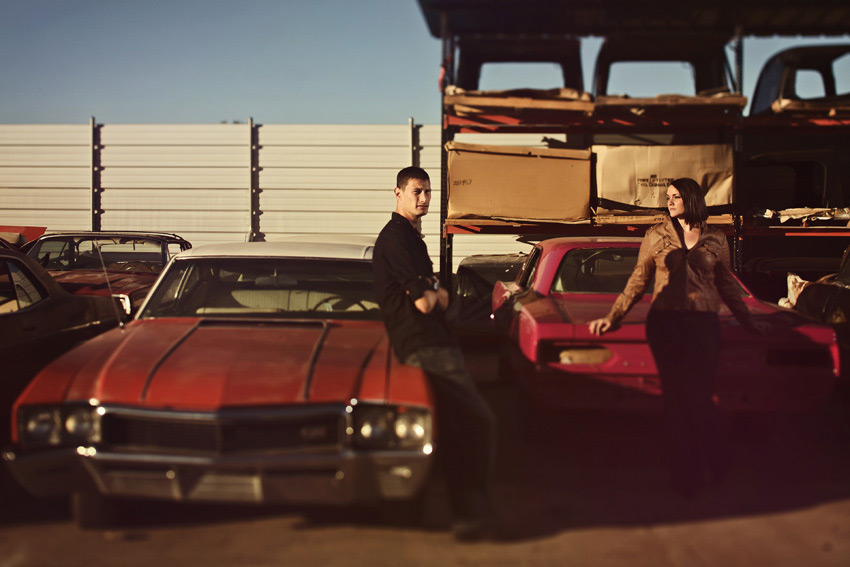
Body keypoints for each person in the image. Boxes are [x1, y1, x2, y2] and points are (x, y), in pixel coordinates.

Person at [588, 177, 769, 497]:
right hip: (666, 324)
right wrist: (612, 317)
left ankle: (717, 458)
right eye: (668, 197)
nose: (669, 202)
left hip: (702, 325)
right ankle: (686, 476)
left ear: (691, 199)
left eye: (675, 197)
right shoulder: (655, 235)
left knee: (699, 399)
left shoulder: (715, 237)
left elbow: (727, 284)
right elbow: (638, 280)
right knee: (676, 400)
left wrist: (749, 321)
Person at [372, 166, 498, 541]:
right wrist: (438, 292)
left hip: (430, 342)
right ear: (397, 193)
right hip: (425, 344)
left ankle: (462, 510)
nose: (423, 198)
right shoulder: (397, 239)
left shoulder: (412, 239)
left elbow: (434, 293)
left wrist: (437, 291)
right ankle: (473, 507)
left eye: (427, 192)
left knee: (451, 428)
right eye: (415, 191)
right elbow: (428, 302)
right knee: (478, 422)